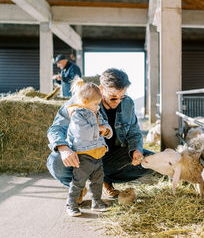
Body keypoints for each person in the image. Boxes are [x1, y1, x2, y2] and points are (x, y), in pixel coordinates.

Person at [47, 68, 153, 201]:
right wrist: (63, 149)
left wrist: (136, 150)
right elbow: (56, 128)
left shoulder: (128, 103)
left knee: (151, 160)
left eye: (122, 96)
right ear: (102, 89)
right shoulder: (82, 99)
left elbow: (134, 132)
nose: (118, 101)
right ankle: (77, 186)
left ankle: (105, 179)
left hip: (110, 155)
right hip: (82, 154)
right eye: (113, 97)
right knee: (55, 161)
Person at [64, 78, 113, 217]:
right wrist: (99, 129)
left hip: (98, 154)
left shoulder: (96, 112)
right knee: (78, 182)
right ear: (85, 102)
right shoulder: (77, 114)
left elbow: (106, 124)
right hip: (84, 155)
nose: (98, 106)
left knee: (98, 180)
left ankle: (96, 202)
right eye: (96, 104)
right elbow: (83, 133)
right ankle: (71, 204)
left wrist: (107, 130)